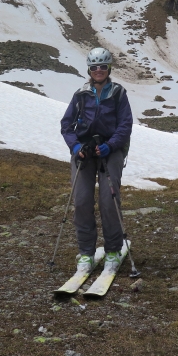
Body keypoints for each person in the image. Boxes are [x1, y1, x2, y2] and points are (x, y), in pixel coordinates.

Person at [60, 47, 133, 274]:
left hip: (110, 151)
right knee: (81, 201)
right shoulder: (80, 94)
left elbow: (125, 125)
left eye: (103, 66)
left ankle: (113, 250)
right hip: (84, 152)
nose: (98, 70)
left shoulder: (118, 93)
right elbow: (67, 125)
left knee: (108, 201)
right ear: (89, 69)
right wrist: (75, 146)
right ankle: (86, 253)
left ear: (109, 68)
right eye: (94, 67)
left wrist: (110, 145)